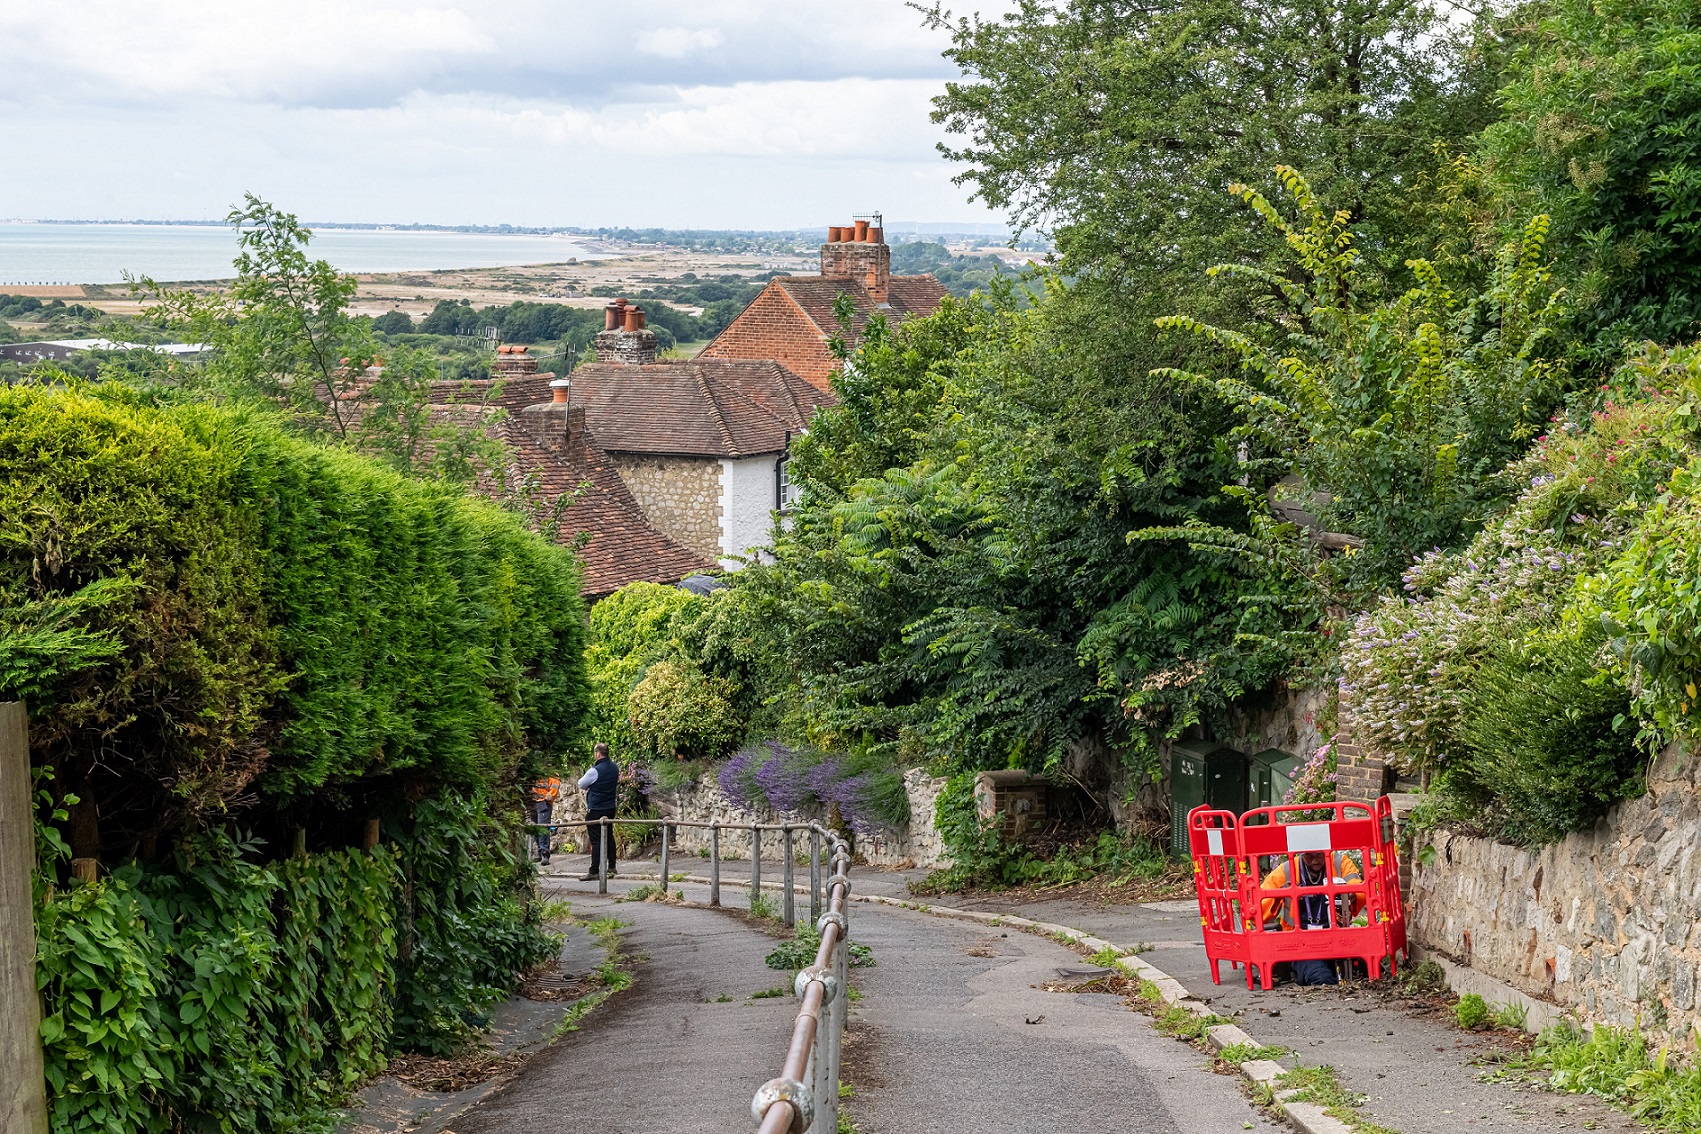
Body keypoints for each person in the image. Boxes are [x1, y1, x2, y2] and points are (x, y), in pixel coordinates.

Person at [1259, 849, 1365, 986]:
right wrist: (1279, 894)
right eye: (1309, 856)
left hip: (1337, 937)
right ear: (1301, 853)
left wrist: (1352, 894)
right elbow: (1259, 910)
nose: (1315, 860)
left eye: (1319, 855)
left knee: (1363, 971)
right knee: (1322, 978)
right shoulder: (1286, 870)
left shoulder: (1340, 862)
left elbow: (1359, 888)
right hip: (1299, 943)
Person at [578, 742, 619, 881]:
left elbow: (581, 784)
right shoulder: (615, 768)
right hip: (610, 806)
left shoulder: (594, 771)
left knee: (596, 840)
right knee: (609, 835)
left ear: (597, 754)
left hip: (596, 808)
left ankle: (594, 870)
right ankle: (612, 866)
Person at [529, 775, 562, 865]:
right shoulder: (536, 769)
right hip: (534, 802)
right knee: (535, 828)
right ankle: (540, 852)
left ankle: (544, 853)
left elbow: (555, 786)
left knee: (543, 828)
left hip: (544, 803)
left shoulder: (551, 774)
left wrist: (548, 797)